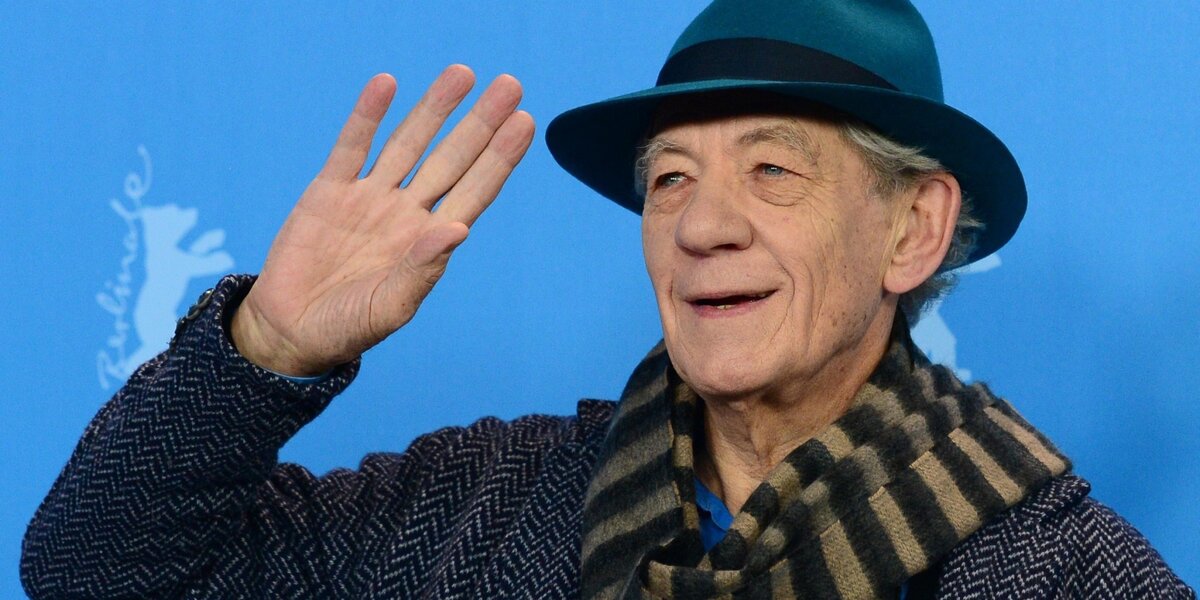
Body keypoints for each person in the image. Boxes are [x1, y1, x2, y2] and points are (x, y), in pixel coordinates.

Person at [21, 1, 1194, 598]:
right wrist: (266, 347)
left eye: (772, 170)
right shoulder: (489, 505)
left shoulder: (1055, 574)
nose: (700, 224)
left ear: (913, 229)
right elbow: (100, 575)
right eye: (669, 179)